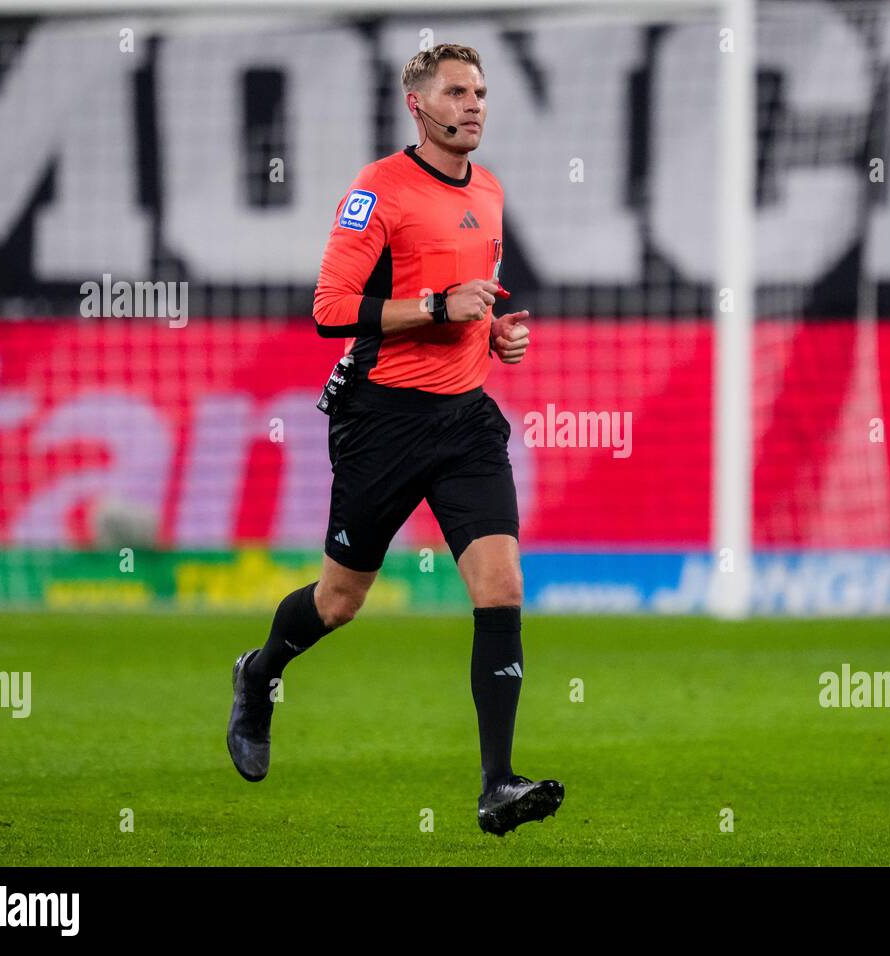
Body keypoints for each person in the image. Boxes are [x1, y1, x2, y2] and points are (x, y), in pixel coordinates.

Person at [226, 43, 562, 837]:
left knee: (502, 586)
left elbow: (468, 313)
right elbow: (330, 309)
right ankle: (259, 672)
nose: (474, 103)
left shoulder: (490, 189)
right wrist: (440, 306)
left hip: (465, 422)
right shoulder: (378, 191)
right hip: (382, 421)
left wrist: (495, 337)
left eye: (480, 90)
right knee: (340, 603)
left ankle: (496, 786)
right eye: (457, 91)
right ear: (419, 104)